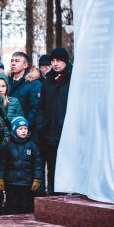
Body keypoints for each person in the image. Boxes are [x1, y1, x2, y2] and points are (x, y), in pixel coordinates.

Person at [36, 47, 72, 195]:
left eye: (58, 60)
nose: (55, 64)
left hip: (67, 133)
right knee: (52, 168)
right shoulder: (48, 81)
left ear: (65, 61)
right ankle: (53, 195)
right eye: (53, 61)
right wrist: (41, 125)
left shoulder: (74, 78)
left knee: (67, 168)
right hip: (49, 133)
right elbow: (41, 107)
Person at [0, 72, 24, 215]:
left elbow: (19, 121)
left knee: (11, 178)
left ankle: (11, 207)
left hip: (10, 146)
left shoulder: (14, 101)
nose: (0, 89)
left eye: (3, 86)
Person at [0, 116, 41, 214]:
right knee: (11, 205)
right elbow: (2, 164)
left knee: (26, 206)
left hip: (26, 184)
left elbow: (37, 164)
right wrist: (0, 178)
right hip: (11, 183)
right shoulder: (8, 146)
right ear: (14, 130)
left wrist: (37, 179)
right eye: (20, 129)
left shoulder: (32, 146)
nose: (23, 131)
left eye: (25, 128)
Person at [8, 52, 41, 134]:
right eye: (12, 61)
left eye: (17, 61)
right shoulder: (6, 81)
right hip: (7, 128)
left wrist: (24, 126)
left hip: (24, 129)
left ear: (25, 65)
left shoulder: (33, 83)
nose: (13, 63)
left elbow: (35, 109)